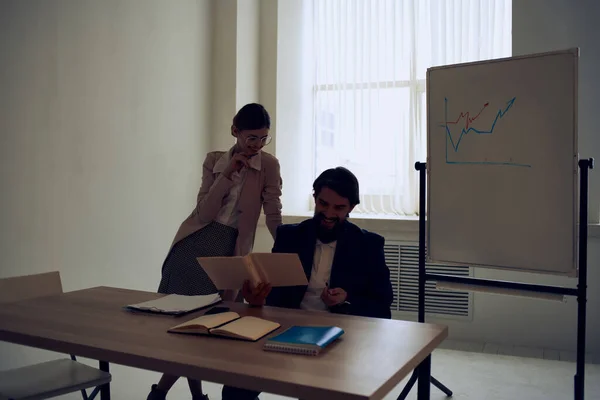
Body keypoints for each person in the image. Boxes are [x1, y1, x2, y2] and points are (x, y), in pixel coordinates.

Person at [146, 103, 282, 400]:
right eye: (251, 138)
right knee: (189, 329)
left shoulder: (269, 165)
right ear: (235, 131)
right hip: (193, 246)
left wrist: (285, 246)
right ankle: (190, 396)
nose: (257, 145)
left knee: (207, 328)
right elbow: (204, 213)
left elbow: (273, 211)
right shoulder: (214, 161)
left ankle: (159, 394)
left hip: (229, 250)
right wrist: (227, 175)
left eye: (263, 138)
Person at [224, 166, 394, 400]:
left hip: (339, 336)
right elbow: (276, 297)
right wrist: (257, 300)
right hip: (288, 330)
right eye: (323, 204)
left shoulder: (369, 245)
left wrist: (346, 299)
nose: (329, 213)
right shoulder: (289, 236)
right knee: (236, 386)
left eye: (339, 208)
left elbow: (382, 306)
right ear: (314, 199)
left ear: (352, 208)